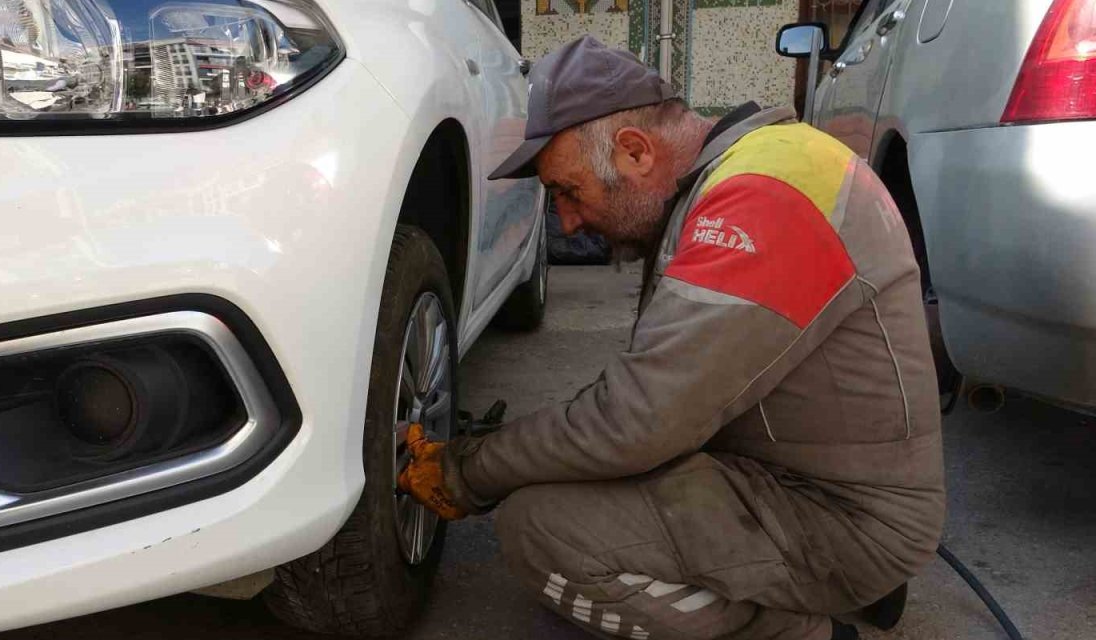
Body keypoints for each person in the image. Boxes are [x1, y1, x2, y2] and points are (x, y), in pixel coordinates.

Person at [397, 35, 946, 640]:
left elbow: (635, 422)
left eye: (567, 192)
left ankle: (807, 628)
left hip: (844, 518)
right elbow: (653, 399)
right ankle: (847, 591)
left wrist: (468, 471)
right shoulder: (750, 169)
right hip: (798, 474)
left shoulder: (762, 198)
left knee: (542, 530)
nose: (569, 223)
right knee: (565, 467)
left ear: (634, 151)